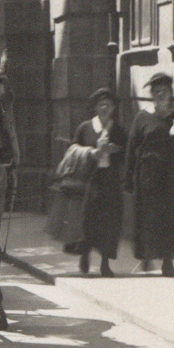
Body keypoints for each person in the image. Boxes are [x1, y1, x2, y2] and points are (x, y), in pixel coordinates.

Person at [123, 72, 174, 276]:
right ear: (151, 94)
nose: (160, 94)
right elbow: (131, 148)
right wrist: (128, 178)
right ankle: (147, 256)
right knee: (148, 217)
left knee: (170, 218)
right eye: (157, 91)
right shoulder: (142, 117)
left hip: (170, 177)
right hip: (147, 176)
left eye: (164, 91)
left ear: (170, 94)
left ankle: (168, 262)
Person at [70, 88, 128, 277]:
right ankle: (85, 253)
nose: (105, 108)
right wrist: (90, 152)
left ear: (113, 108)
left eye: (108, 105)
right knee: (88, 219)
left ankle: (105, 263)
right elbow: (73, 149)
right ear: (95, 107)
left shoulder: (118, 129)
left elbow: (126, 153)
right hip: (90, 181)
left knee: (110, 222)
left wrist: (116, 149)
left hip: (111, 182)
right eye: (101, 105)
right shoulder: (85, 128)